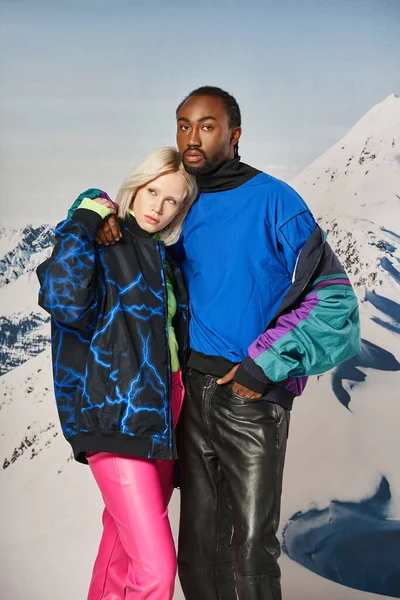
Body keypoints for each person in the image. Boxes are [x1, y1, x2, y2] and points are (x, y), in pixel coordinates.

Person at [76, 86, 361, 600]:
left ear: (234, 134)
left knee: (249, 552)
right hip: (186, 398)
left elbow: (337, 303)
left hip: (249, 395)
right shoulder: (180, 203)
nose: (192, 136)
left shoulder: (275, 201)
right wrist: (98, 217)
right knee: (197, 557)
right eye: (183, 125)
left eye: (206, 126)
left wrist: (263, 367)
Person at [36, 147, 197, 600]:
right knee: (157, 569)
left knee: (121, 554)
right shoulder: (104, 240)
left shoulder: (164, 258)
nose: (158, 207)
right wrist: (86, 214)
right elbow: (64, 300)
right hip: (115, 420)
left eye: (173, 201)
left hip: (164, 417)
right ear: (135, 185)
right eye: (152, 192)